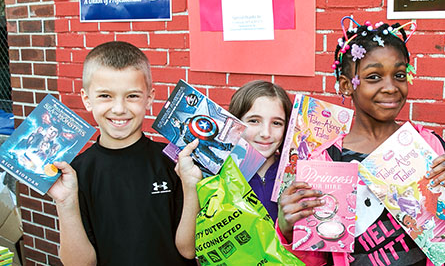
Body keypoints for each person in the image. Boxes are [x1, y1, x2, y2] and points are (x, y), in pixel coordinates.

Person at [276, 17, 445, 265]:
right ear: (347, 85)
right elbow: (312, 259)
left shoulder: (427, 146)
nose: (391, 87)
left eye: (399, 75)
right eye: (374, 77)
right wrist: (288, 228)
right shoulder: (324, 161)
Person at [47, 41, 201, 266]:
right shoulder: (75, 174)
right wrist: (66, 203)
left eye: (132, 96)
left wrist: (191, 186)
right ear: (86, 99)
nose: (119, 108)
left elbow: (190, 251)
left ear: (149, 98)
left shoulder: (175, 161)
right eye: (105, 96)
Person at [228, 80, 292, 222]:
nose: (265, 133)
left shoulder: (296, 175)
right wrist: (189, 184)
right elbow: (185, 244)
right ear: (235, 122)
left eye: (276, 123)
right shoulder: (217, 174)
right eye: (254, 121)